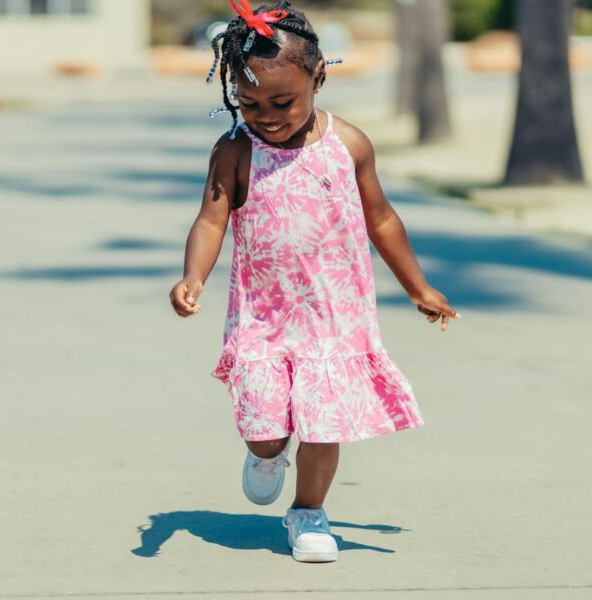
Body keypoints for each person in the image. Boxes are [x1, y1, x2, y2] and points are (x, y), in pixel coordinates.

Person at [168, 0, 461, 563]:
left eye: (283, 102)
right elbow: (210, 219)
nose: (268, 116)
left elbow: (382, 219)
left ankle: (307, 512)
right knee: (265, 430)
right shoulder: (234, 150)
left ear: (318, 77)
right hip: (263, 320)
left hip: (334, 320)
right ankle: (268, 454)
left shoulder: (348, 145)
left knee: (324, 426)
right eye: (250, 104)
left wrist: (418, 287)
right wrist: (193, 278)